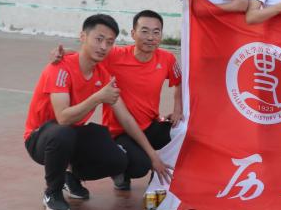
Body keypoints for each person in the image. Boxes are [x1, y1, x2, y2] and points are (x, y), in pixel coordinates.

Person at [24, 14, 171, 210]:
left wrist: (153, 155)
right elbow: (63, 118)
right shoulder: (60, 68)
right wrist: (97, 97)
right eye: (99, 39)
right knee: (63, 132)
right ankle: (53, 192)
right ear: (83, 36)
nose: (103, 47)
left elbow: (126, 118)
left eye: (109, 42)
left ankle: (71, 175)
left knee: (119, 160)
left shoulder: (102, 73)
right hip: (41, 137)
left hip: (73, 134)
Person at [52, 10, 183, 191]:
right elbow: (88, 55)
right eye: (144, 31)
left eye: (156, 32)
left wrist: (177, 110)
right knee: (140, 166)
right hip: (120, 131)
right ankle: (79, 173)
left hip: (149, 125)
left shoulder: (167, 58)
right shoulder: (115, 56)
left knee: (181, 130)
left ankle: (162, 178)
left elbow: (179, 82)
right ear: (133, 34)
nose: (150, 37)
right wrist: (63, 54)